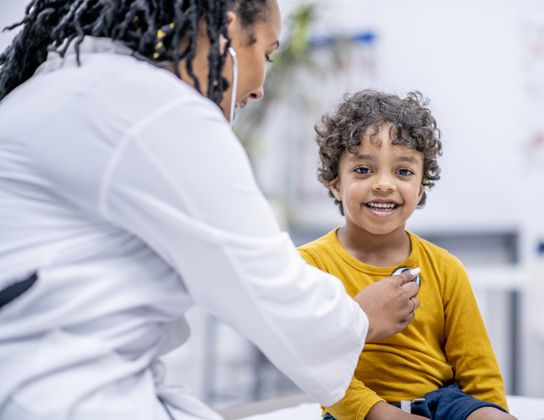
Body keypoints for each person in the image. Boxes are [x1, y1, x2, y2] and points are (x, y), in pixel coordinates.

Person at [0, 1, 421, 419]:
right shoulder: (153, 107)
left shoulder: (71, 86)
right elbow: (267, 284)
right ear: (228, 31)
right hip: (56, 394)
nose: (259, 88)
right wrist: (360, 317)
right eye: (266, 53)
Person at [299, 90, 516, 420]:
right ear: (336, 186)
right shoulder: (310, 265)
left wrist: (492, 412)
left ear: (420, 188)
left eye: (403, 172)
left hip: (443, 401)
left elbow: (479, 371)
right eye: (362, 170)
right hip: (357, 410)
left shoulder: (446, 268)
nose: (384, 184)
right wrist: (380, 413)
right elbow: (318, 363)